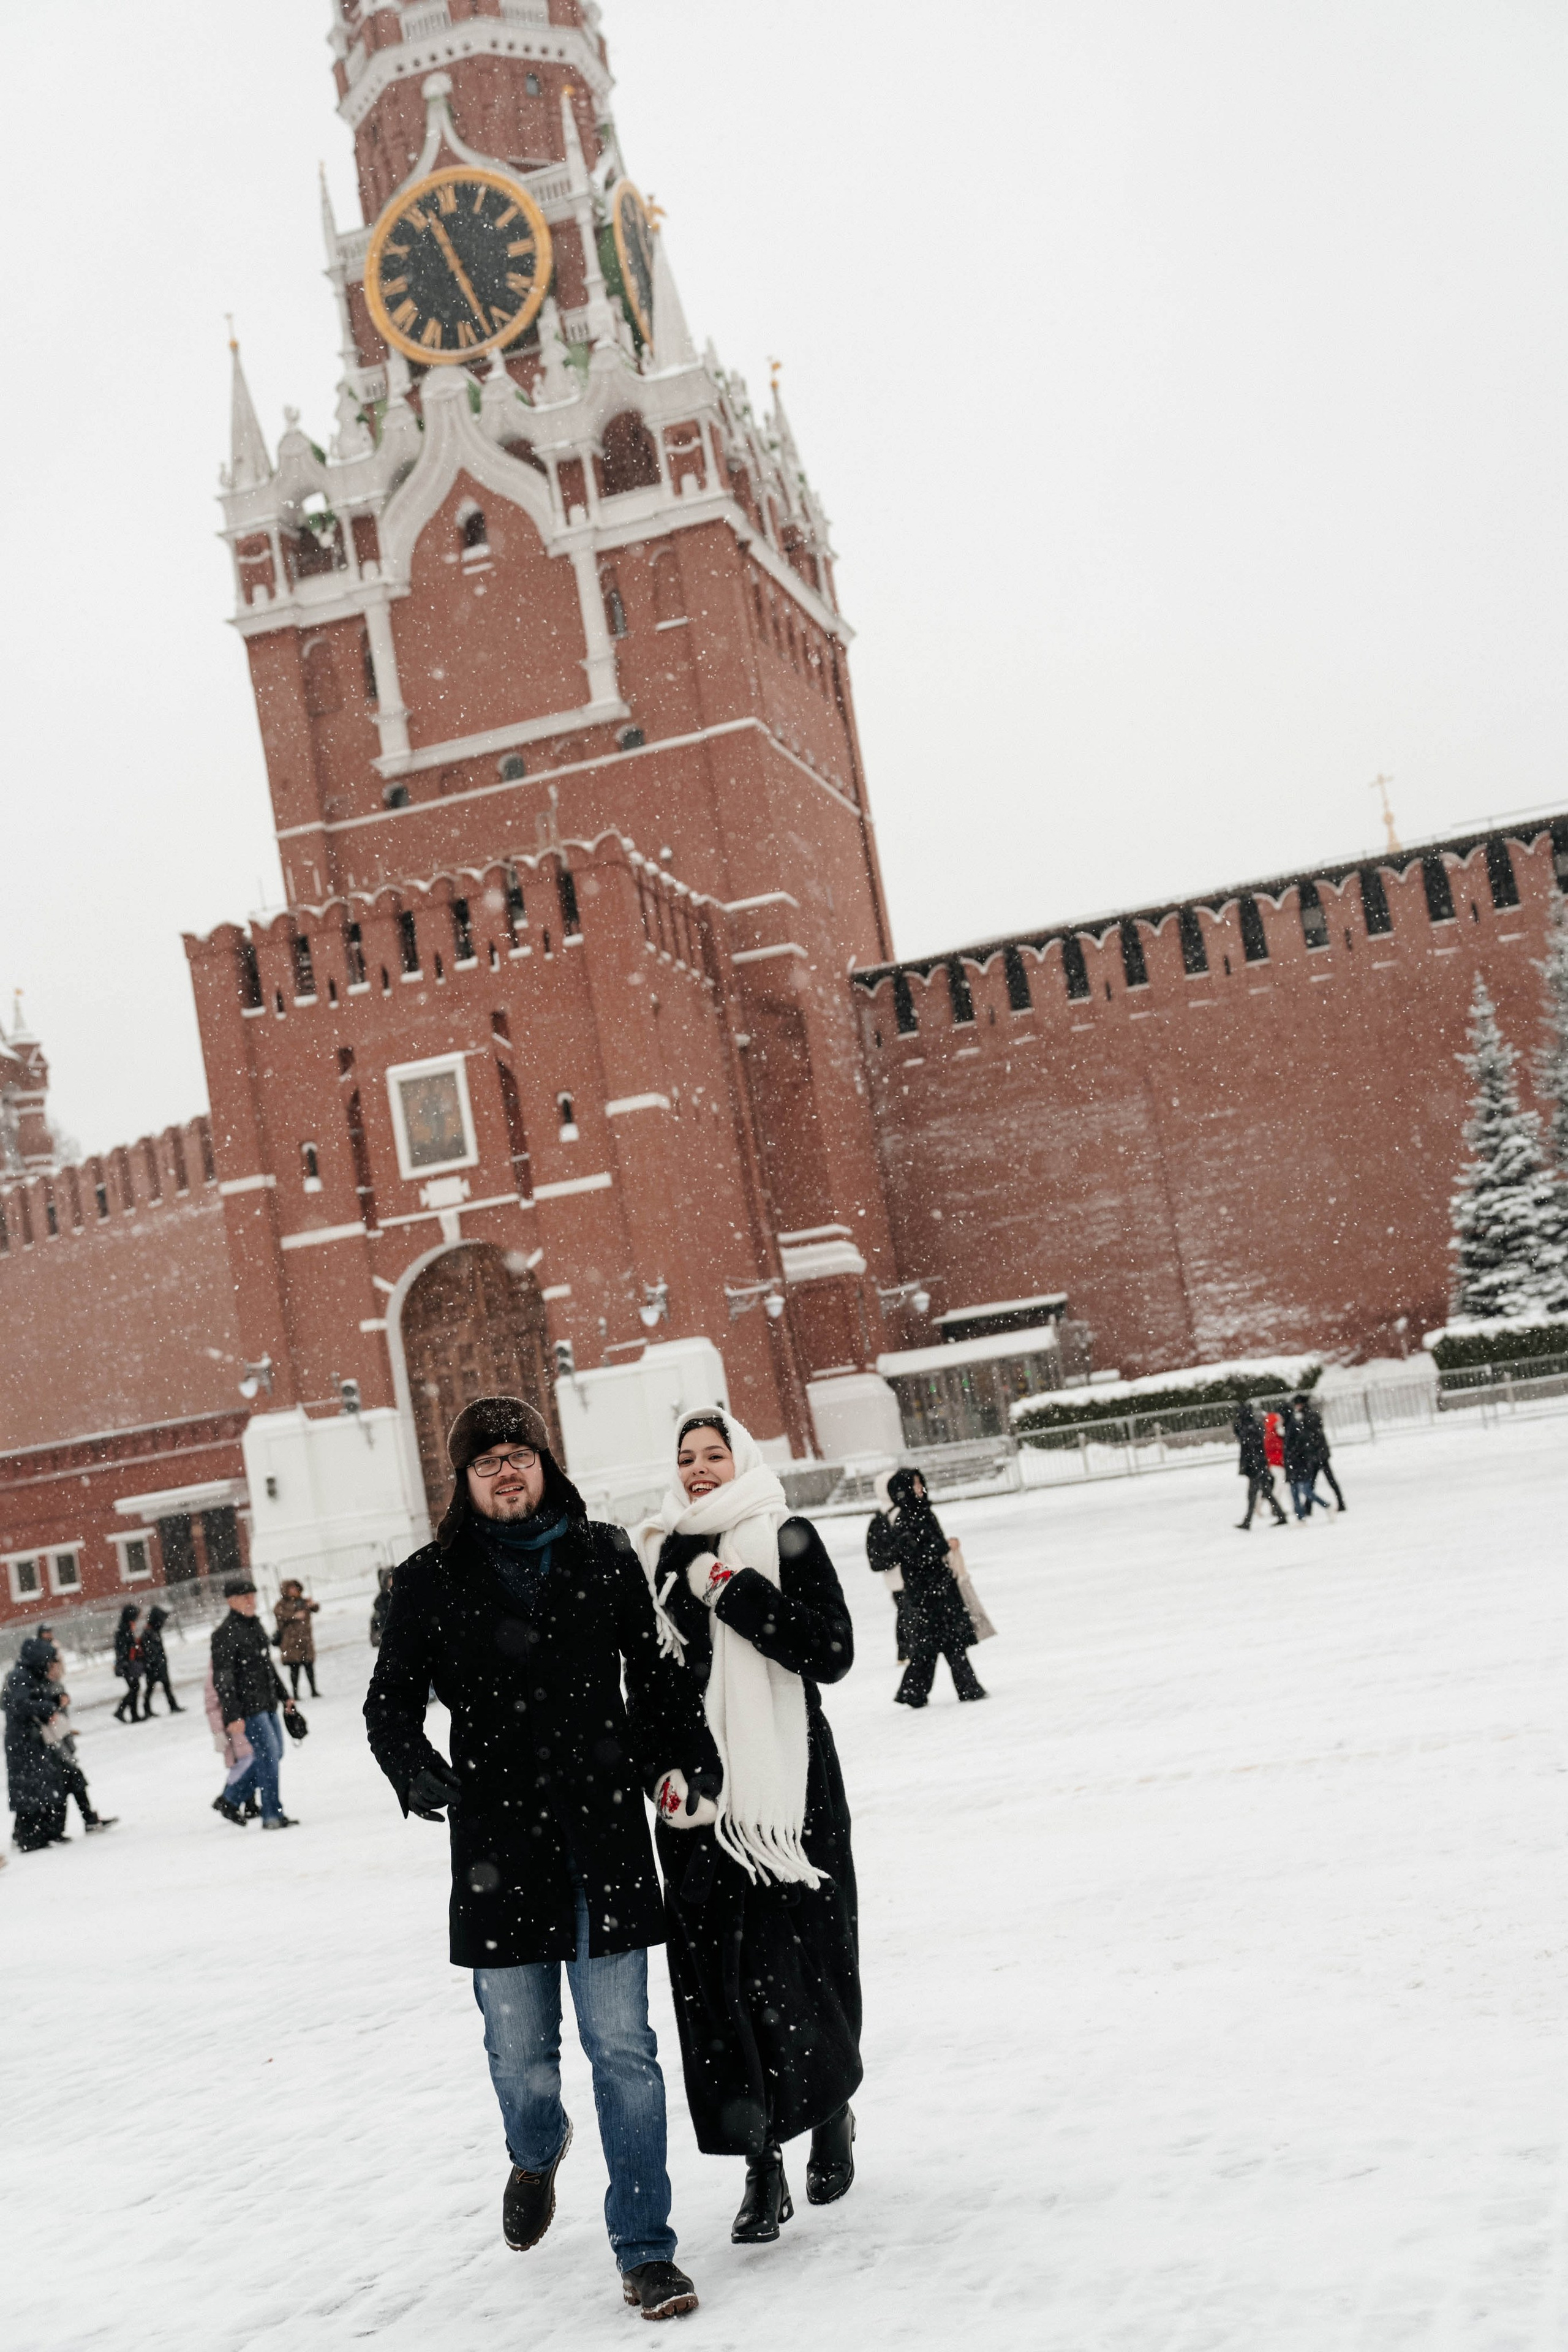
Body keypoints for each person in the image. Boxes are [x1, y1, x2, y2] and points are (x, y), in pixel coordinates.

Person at [365, 1396, 715, 2325]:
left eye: (519, 1453)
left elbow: (656, 1673)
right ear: (465, 1482)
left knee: (626, 2053)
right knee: (522, 2061)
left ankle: (646, 2250)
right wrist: (424, 1779)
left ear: (545, 1465)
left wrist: (674, 1763)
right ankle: (537, 2145)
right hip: (498, 1851)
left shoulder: (603, 1555)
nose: (505, 1470)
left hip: (603, 1840)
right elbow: (389, 1707)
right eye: (486, 1461)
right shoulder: (430, 1581)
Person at [636, 1410, 862, 2248]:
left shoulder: (785, 1536)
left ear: (742, 1458)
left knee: (802, 1961)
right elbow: (648, 1680)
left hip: (786, 1792)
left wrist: (730, 1588)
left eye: (713, 1454)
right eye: (686, 1458)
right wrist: (662, 1768)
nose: (698, 1470)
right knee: (718, 1984)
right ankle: (759, 2159)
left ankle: (831, 2105)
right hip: (697, 1806)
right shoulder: (658, 1553)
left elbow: (830, 1652)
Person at [868, 1468, 986, 1707]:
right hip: (926, 1593)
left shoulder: (921, 1512)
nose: (921, 1488)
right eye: (915, 1484)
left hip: (937, 1588)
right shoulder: (905, 1519)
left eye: (920, 1483)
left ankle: (921, 1691)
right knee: (938, 1645)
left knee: (935, 1646)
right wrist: (943, 1546)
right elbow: (914, 1555)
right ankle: (959, 1689)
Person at [211, 1578, 300, 1829]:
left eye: (252, 1595)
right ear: (231, 1601)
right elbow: (224, 1681)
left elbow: (266, 1665)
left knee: (274, 1754)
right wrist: (233, 1716)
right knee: (269, 1755)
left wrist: (285, 1695)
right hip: (248, 1708)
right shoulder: (224, 1635)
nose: (251, 1601)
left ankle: (231, 1798)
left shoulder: (255, 1626)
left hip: (267, 1702)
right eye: (244, 1597)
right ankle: (272, 1815)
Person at [3, 1636, 69, 1849]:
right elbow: (21, 1705)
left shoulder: (27, 1674)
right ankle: (29, 1836)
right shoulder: (20, 1676)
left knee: (36, 1787)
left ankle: (35, 1834)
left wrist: (53, 1703)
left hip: (29, 1740)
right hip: (23, 1742)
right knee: (29, 1788)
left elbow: (29, 1701)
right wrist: (47, 1708)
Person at [42, 1656, 116, 1832]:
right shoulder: (44, 1686)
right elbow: (49, 1713)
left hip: (60, 1738)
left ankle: (83, 1820)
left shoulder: (53, 1684)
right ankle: (66, 1825)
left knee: (73, 1781)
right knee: (70, 1780)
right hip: (55, 1741)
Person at [865, 1472, 912, 1664]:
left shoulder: (882, 1516)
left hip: (895, 1576)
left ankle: (906, 1651)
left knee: (905, 1611)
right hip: (900, 1574)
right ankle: (907, 1651)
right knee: (907, 1612)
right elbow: (878, 1554)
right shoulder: (890, 1516)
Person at [204, 1659, 257, 1825]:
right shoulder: (217, 1671)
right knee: (245, 1763)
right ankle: (227, 1798)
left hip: (242, 1719)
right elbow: (212, 1705)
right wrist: (218, 1730)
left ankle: (247, 1803)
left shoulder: (236, 1665)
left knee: (249, 1761)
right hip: (232, 1725)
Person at [1234, 1402, 1289, 1529]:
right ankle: (1280, 1515)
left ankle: (1248, 1521)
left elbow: (1251, 1446)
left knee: (1254, 1494)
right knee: (1266, 1492)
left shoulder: (1251, 1428)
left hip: (1256, 1465)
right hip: (1258, 1464)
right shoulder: (1253, 1426)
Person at [273, 1579, 321, 1698]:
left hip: (305, 1641)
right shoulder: (282, 1604)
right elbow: (279, 1614)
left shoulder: (303, 1602)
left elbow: (316, 1609)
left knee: (309, 1666)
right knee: (295, 1669)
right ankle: (295, 1694)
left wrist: (312, 1605)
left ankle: (314, 1691)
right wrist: (294, 1616)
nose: (294, 1591)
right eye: (291, 1589)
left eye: (295, 1588)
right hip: (291, 1642)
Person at [1300, 1393, 1346, 1512]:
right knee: (1321, 1481)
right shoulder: (1311, 1416)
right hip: (1320, 1454)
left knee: (1316, 1482)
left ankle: (1309, 1507)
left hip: (1317, 1455)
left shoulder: (1308, 1418)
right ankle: (1310, 1506)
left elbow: (1313, 1437)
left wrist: (1312, 1452)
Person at [140, 1605, 183, 1714]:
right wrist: (157, 1663)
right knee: (152, 1688)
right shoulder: (149, 1633)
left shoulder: (152, 1632)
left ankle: (170, 1705)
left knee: (161, 1687)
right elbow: (151, 1652)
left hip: (157, 1665)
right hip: (154, 1666)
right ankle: (148, 1709)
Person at [112, 1604, 145, 1724]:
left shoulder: (127, 1627)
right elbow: (122, 1648)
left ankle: (130, 1713)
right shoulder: (124, 1629)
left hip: (129, 1663)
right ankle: (122, 1711)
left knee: (134, 1688)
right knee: (134, 1688)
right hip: (127, 1665)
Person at [369, 1566, 394, 1649]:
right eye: (389, 1580)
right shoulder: (381, 1602)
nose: (392, 1583)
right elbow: (376, 1624)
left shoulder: (404, 1595)